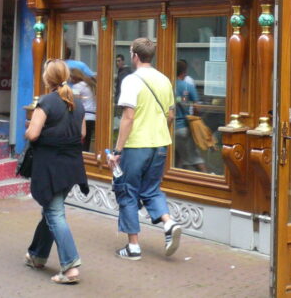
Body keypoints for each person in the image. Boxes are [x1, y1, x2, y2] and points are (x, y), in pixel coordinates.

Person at [107, 38, 182, 259]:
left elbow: (128, 117)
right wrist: (158, 131)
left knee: (127, 191)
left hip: (136, 145)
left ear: (135, 56)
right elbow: (170, 114)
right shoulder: (164, 80)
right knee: (151, 189)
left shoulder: (131, 80)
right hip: (159, 144)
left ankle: (133, 247)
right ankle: (169, 223)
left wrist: (117, 150)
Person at [25, 60, 89, 285]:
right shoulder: (77, 103)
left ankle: (70, 266)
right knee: (51, 211)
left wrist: (29, 130)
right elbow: (81, 132)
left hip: (50, 166)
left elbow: (33, 134)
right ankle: (37, 255)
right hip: (71, 166)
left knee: (54, 214)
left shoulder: (46, 102)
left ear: (47, 78)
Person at [173, 60, 207, 172]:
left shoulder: (169, 86)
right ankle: (207, 181)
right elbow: (197, 107)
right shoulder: (188, 86)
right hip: (184, 127)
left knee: (176, 159)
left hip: (170, 128)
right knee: (195, 159)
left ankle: (178, 183)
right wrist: (194, 118)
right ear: (184, 72)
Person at [68, 64, 97, 151]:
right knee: (87, 142)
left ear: (73, 77)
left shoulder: (78, 86)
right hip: (93, 116)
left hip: (84, 117)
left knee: (81, 143)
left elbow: (73, 101)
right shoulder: (89, 85)